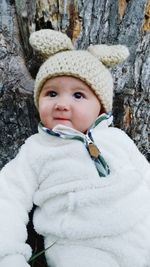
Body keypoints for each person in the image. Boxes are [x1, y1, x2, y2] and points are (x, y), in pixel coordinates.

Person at [0, 29, 150, 267]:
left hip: (139, 235)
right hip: (81, 247)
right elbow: (7, 199)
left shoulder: (118, 139)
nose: (61, 104)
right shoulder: (37, 150)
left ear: (100, 107)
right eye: (51, 93)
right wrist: (9, 256)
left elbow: (146, 177)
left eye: (78, 95)